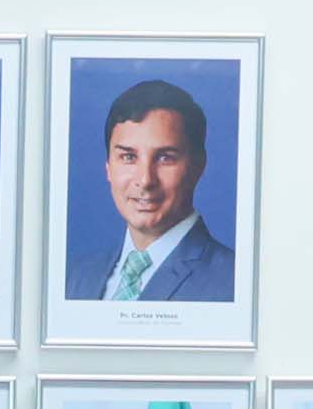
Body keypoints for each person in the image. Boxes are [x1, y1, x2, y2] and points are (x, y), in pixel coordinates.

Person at [76, 77, 234, 305]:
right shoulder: (75, 277)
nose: (145, 180)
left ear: (198, 167)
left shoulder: (233, 284)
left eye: (165, 158)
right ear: (108, 168)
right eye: (128, 157)